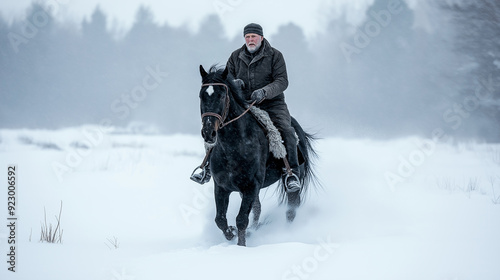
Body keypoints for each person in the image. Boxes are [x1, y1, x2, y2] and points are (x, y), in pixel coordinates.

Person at [191, 23, 301, 192]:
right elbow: (226, 80)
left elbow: (282, 81)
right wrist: (235, 84)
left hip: (273, 105)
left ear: (261, 38)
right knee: (218, 128)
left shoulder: (275, 56)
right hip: (244, 104)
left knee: (286, 131)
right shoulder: (235, 56)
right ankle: (206, 167)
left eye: (254, 37)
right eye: (248, 37)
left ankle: (290, 173)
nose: (250, 40)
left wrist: (264, 91)